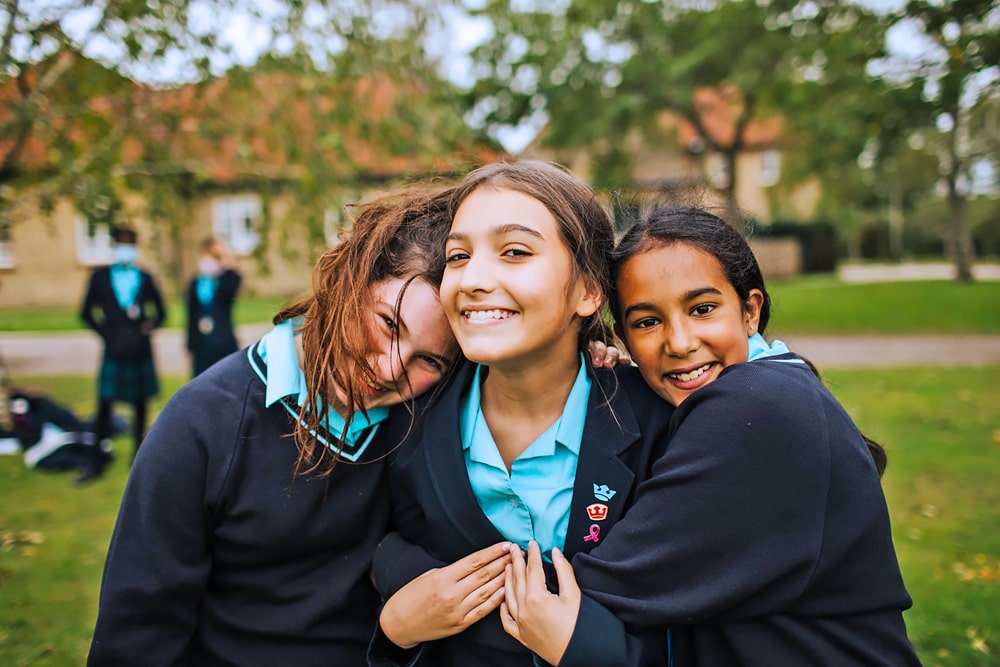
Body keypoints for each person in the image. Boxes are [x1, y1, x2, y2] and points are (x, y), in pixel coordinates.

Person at [499, 205, 921, 666]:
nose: (679, 342)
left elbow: (593, 593)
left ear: (750, 311)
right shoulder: (777, 382)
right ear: (623, 339)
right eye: (647, 322)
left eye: (702, 309)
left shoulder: (754, 407)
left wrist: (409, 593)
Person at [86, 187, 464, 666]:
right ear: (348, 280)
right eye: (389, 324)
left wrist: (590, 351)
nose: (392, 368)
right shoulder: (201, 424)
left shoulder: (429, 425)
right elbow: (136, 638)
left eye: (428, 358)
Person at [367, 161, 675, 666]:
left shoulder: (662, 424)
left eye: (515, 252)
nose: (473, 279)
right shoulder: (407, 422)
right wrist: (397, 628)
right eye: (458, 255)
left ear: (589, 291)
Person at [77, 224, 166, 484]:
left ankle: (138, 460)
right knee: (104, 406)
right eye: (121, 244)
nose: (125, 249)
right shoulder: (100, 278)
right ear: (115, 247)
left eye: (129, 244)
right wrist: (107, 333)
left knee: (140, 407)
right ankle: (95, 460)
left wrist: (148, 326)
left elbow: (160, 312)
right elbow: (86, 313)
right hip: (114, 351)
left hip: (139, 351)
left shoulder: (145, 277)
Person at [186, 237, 242, 377]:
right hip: (201, 344)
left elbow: (233, 287)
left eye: (215, 256)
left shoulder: (226, 280)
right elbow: (190, 315)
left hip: (223, 342)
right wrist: (190, 345)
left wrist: (226, 262)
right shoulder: (195, 283)